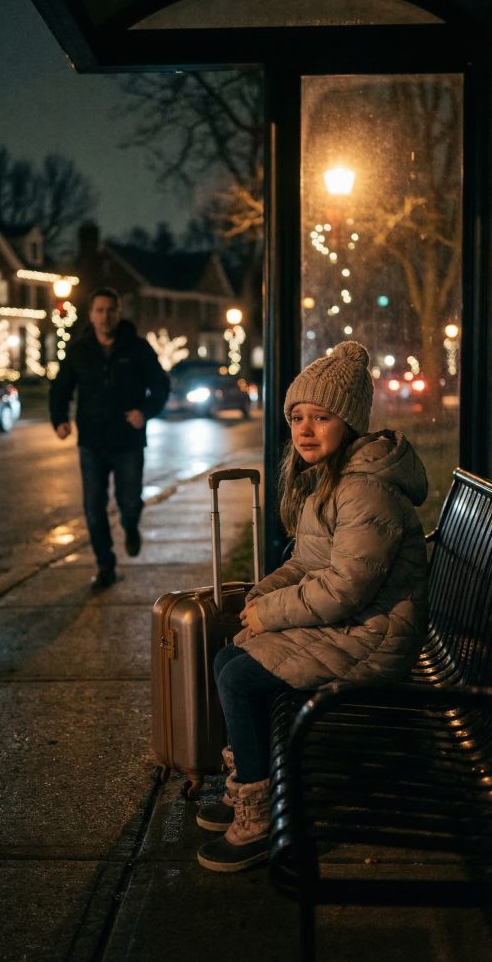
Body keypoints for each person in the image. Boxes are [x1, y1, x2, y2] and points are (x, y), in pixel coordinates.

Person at [196, 340, 429, 873]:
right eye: (297, 416)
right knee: (232, 655)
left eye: (320, 418)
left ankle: (258, 816)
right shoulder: (331, 482)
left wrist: (273, 614)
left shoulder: (364, 491)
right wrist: (261, 598)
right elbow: (305, 564)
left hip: (373, 636)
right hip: (350, 626)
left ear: (348, 423)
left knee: (237, 677)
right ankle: (252, 786)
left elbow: (345, 588)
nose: (304, 429)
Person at [49, 286, 169, 591]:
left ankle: (130, 526)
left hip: (128, 440)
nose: (105, 316)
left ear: (119, 313)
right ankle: (105, 565)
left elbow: (160, 385)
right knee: (93, 506)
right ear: (91, 315)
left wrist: (146, 411)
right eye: (99, 310)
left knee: (129, 501)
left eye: (110, 310)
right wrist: (60, 419)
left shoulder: (138, 348)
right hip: (91, 441)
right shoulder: (79, 350)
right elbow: (60, 388)